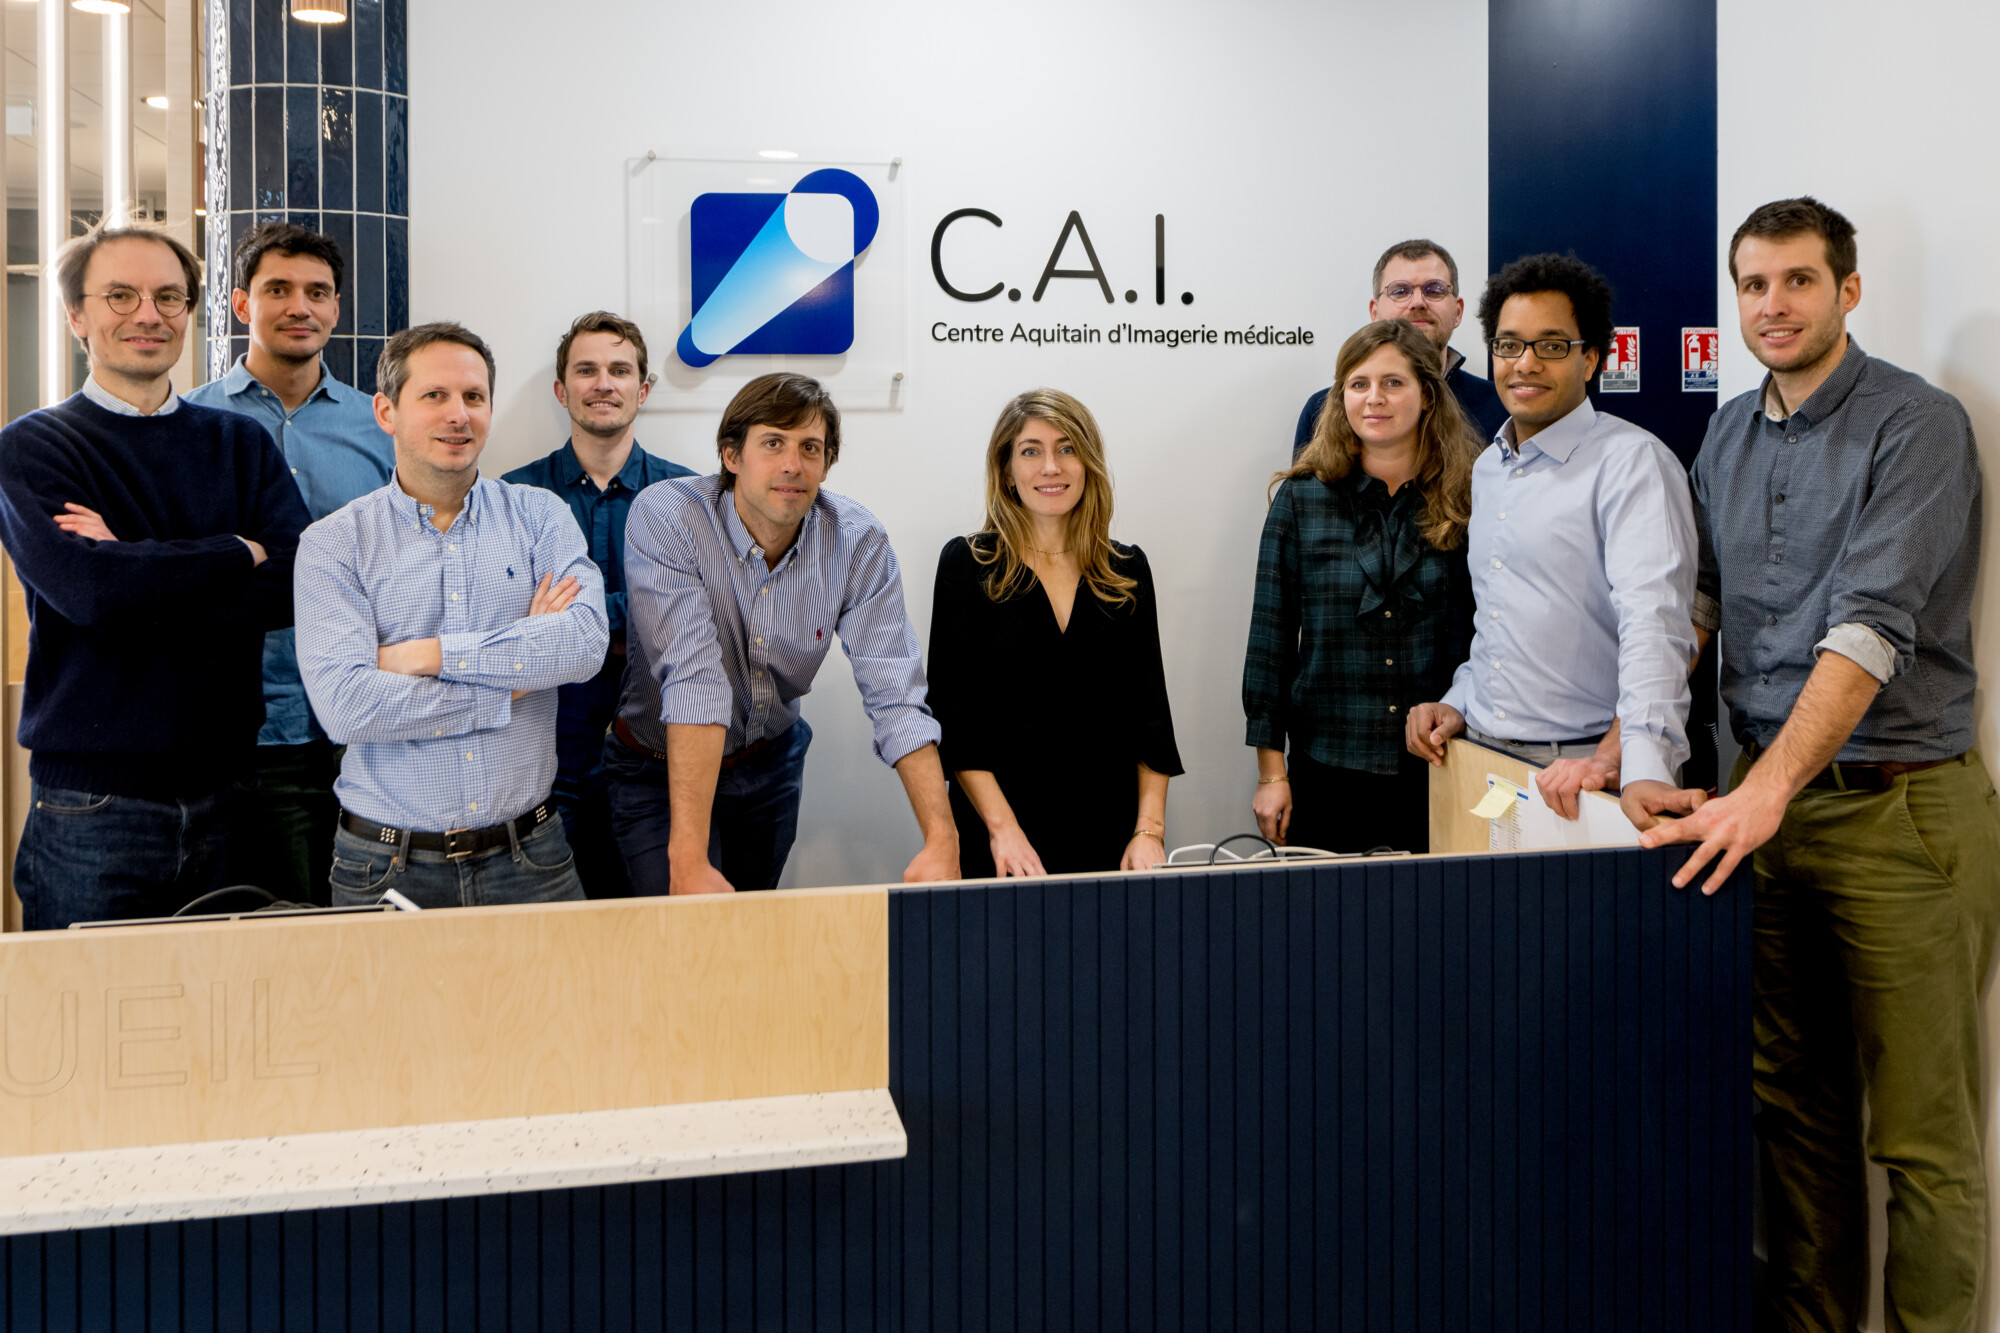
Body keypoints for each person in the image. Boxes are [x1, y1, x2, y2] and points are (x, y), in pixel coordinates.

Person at [1629, 198, 2000, 1332]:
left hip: (1899, 816)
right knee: (1792, 1116)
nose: (1772, 304)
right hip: (1767, 819)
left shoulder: (1915, 424)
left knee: (1923, 1140)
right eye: (1753, 284)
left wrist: (1764, 788)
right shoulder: (1728, 434)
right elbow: (1697, 604)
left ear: (1847, 289)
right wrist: (1626, 738)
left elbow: (1870, 629)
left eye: (1797, 280)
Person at [0, 225, 308, 928]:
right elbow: (89, 593)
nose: (149, 314)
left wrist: (130, 563)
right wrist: (234, 551)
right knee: (86, 1000)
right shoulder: (32, 447)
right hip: (93, 807)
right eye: (121, 295)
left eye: (169, 296)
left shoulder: (238, 443)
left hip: (230, 794)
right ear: (76, 315)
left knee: (231, 998)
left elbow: (295, 583)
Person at [295, 323, 608, 908]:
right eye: (434, 395)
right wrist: (512, 682)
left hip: (532, 857)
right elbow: (347, 707)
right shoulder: (334, 544)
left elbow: (584, 643)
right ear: (386, 412)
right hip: (385, 866)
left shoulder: (540, 516)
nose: (458, 414)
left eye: (474, 396)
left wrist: (428, 656)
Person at [610, 372, 958, 894]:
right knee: (686, 930)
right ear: (732, 455)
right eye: (773, 443)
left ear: (827, 463)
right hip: (657, 773)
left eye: (810, 448)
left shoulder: (856, 540)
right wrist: (689, 859)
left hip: (769, 763)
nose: (793, 464)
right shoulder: (669, 517)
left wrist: (942, 839)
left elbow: (897, 696)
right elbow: (695, 682)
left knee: (755, 928)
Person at [1404, 253, 1697, 817]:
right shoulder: (1489, 467)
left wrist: (1639, 766)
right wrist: (1459, 700)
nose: (1526, 363)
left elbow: (1656, 628)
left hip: (1588, 773)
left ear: (1590, 359)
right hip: (1482, 761)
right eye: (1509, 345)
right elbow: (1500, 622)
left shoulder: (1632, 463)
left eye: (1552, 345)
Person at [183, 222, 394, 906]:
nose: (300, 306)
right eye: (278, 289)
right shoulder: (189, 424)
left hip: (366, 723)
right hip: (244, 726)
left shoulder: (382, 427)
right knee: (275, 925)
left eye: (317, 292)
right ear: (242, 303)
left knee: (375, 928)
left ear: (336, 308)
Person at [926, 389, 1183, 877]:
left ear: (1088, 464)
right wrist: (1003, 830)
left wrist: (1149, 831)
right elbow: (955, 722)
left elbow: (1150, 717)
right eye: (1031, 451)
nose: (1051, 467)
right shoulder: (967, 564)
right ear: (1007, 471)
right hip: (999, 838)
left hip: (1110, 834)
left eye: (1067, 449)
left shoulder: (1126, 569)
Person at [1247, 320, 1476, 853]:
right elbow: (1269, 643)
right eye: (1358, 383)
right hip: (1327, 769)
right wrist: (1271, 773)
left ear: (1427, 394)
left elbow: (1489, 635)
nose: (1374, 398)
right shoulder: (1300, 499)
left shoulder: (1471, 495)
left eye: (1393, 382)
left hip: (1444, 765)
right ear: (1340, 396)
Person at [503, 312, 695, 897]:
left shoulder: (688, 497)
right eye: (586, 370)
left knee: (654, 924)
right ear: (562, 391)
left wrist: (571, 617)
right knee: (554, 929)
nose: (603, 384)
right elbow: (506, 620)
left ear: (643, 390)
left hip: (658, 756)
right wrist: (639, 607)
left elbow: (692, 613)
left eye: (619, 370)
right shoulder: (512, 498)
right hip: (546, 754)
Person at [1293, 239, 1508, 457]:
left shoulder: (1502, 406)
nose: (1418, 302)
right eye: (1400, 291)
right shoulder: (1322, 411)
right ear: (1375, 312)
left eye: (1434, 290)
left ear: (1458, 312)